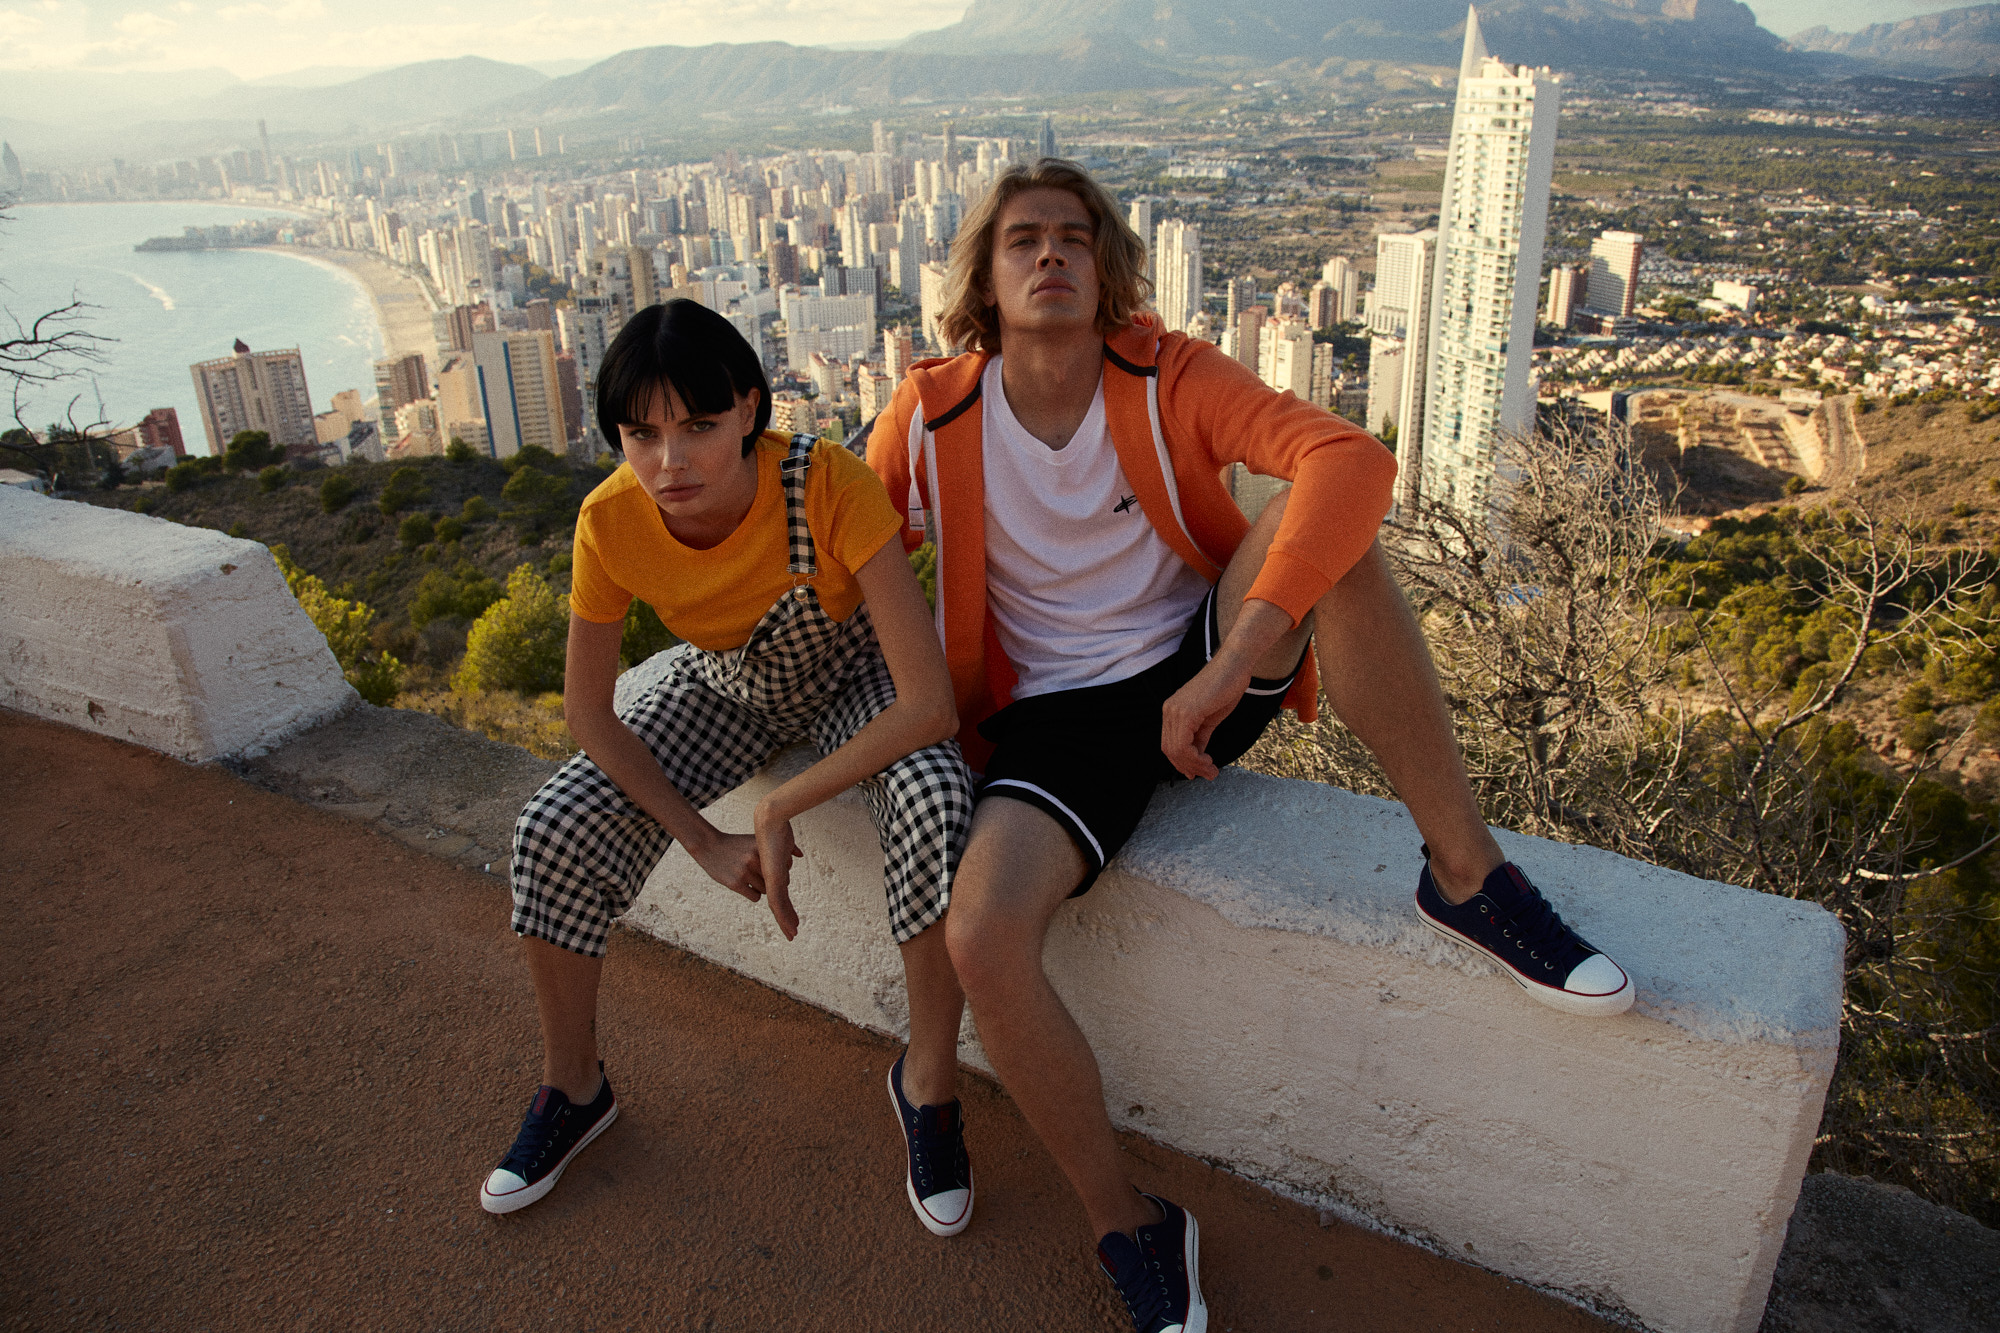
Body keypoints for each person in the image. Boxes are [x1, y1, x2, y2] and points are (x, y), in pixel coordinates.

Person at [865, 159, 1634, 1333]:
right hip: (1053, 727)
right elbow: (843, 550)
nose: (1051, 253)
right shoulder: (928, 415)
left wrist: (1232, 661)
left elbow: (1351, 460)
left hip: (1198, 658)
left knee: (1338, 540)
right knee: (981, 934)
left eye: (1074, 236)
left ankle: (1465, 876)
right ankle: (1129, 1221)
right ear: (982, 279)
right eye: (1023, 238)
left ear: (1107, 269)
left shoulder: (1166, 373)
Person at [481, 299, 978, 1240]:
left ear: (749, 408)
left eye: (700, 426)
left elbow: (928, 706)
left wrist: (781, 803)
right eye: (642, 434)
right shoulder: (610, 521)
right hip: (727, 685)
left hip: (855, 673)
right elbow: (588, 712)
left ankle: (929, 1084)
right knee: (552, 827)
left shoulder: (827, 482)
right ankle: (573, 1087)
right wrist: (700, 838)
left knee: (937, 796)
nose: (671, 461)